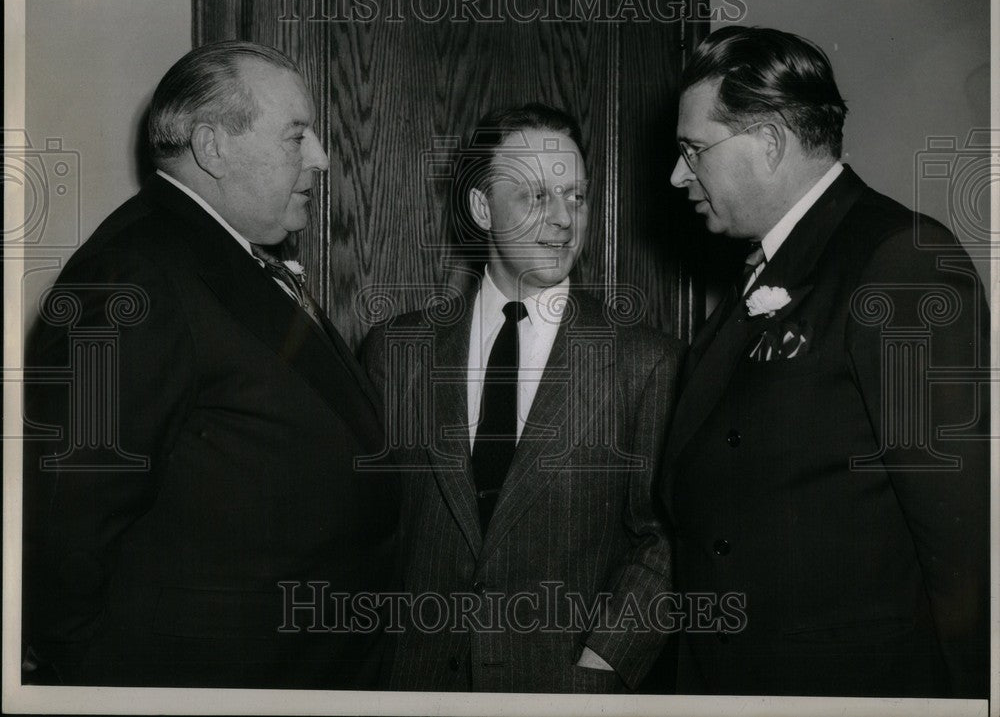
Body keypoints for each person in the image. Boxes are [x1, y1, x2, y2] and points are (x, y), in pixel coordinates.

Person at [22, 40, 398, 688]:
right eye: (297, 136)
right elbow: (63, 527)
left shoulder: (219, 251)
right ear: (213, 147)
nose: (322, 158)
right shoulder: (131, 276)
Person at [662, 26, 988, 697]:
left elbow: (966, 546)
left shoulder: (901, 262)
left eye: (693, 150)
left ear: (771, 142)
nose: (676, 175)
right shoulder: (767, 269)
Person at [361, 104, 682, 693]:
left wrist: (602, 666)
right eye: (536, 196)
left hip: (564, 691)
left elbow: (661, 540)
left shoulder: (645, 362)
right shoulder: (396, 350)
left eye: (576, 196)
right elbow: (365, 530)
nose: (563, 219)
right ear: (482, 209)